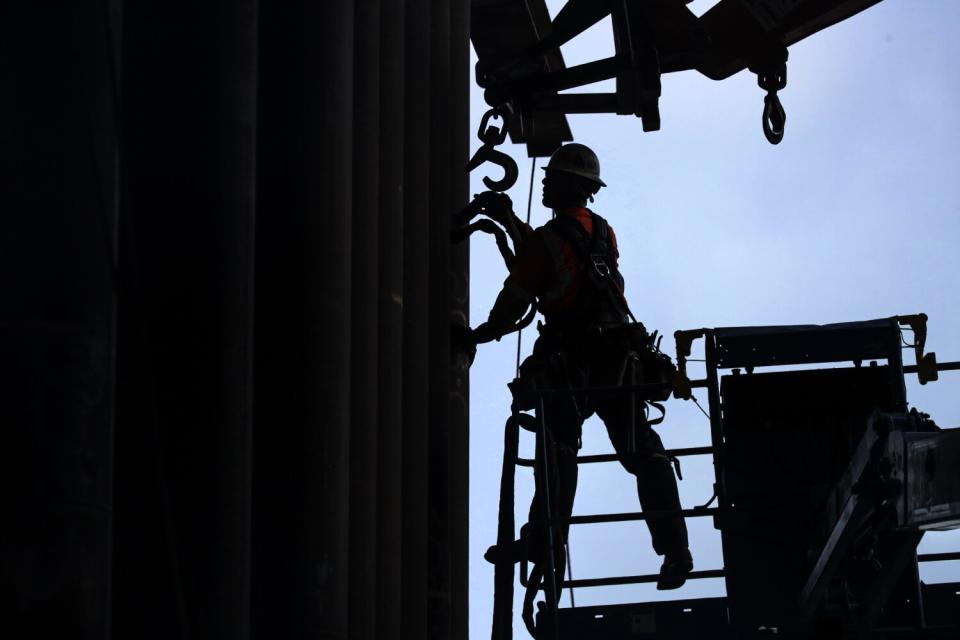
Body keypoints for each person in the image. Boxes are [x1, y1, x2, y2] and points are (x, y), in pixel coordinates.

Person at [456, 143, 693, 596]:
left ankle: (545, 547)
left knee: (558, 447)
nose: (543, 181)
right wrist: (509, 221)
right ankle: (676, 549)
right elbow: (560, 258)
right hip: (618, 357)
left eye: (551, 176)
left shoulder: (546, 243)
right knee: (644, 451)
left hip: (575, 362)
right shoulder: (603, 232)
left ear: (570, 185)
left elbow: (517, 298)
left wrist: (476, 336)